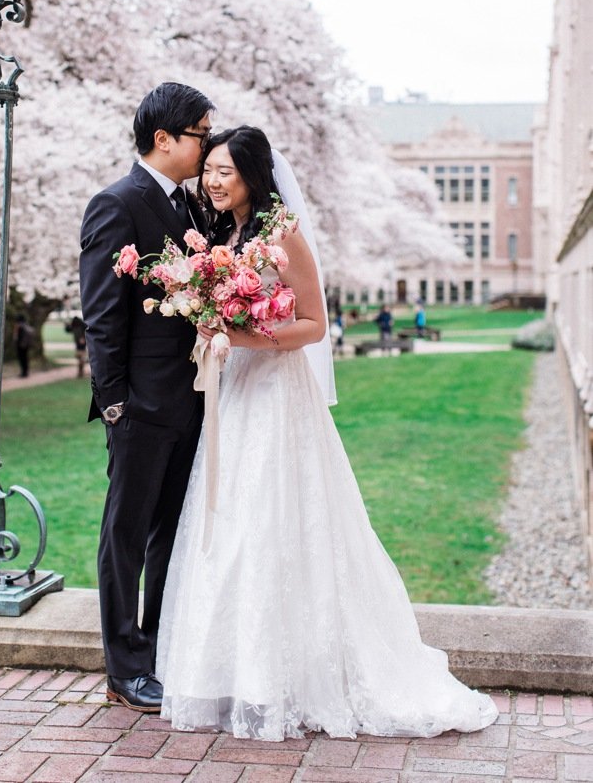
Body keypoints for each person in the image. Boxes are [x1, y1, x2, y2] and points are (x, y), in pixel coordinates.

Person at [157, 125, 496, 740]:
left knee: (276, 519)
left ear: (253, 176)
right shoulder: (223, 236)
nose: (211, 180)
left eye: (224, 171)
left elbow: (313, 325)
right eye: (208, 170)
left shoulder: (281, 233)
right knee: (231, 520)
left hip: (278, 395)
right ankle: (240, 670)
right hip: (234, 396)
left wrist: (240, 336)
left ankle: (295, 677)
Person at [77, 81, 214, 713]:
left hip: (189, 400)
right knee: (124, 535)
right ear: (164, 139)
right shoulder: (117, 204)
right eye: (201, 135)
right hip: (137, 406)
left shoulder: (190, 209)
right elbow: (102, 315)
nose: (208, 147)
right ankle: (124, 666)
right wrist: (114, 403)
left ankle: (158, 651)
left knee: (170, 533)